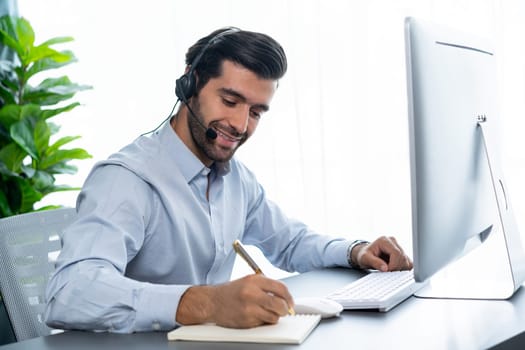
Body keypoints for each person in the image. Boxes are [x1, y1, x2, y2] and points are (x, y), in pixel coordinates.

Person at [45, 27, 413, 333]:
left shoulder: (234, 178)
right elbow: (69, 292)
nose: (240, 125)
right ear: (190, 83)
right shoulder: (127, 181)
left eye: (256, 111)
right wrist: (207, 302)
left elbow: (289, 241)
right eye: (230, 100)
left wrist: (357, 251)